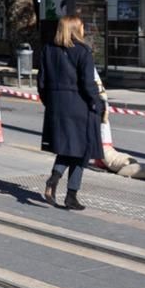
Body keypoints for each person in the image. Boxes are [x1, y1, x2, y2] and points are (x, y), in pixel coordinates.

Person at [37, 15, 104, 211]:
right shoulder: (83, 52)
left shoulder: (48, 50)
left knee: (69, 147)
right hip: (80, 106)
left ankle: (55, 180)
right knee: (83, 149)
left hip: (57, 106)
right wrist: (97, 104)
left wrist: (49, 102)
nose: (84, 29)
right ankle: (70, 194)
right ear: (76, 28)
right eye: (82, 26)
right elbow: (88, 83)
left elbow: (42, 82)